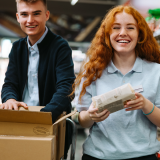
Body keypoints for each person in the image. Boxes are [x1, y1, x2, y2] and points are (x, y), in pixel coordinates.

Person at [73, 5, 160, 160]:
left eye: (130, 28)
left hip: (143, 156)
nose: (123, 33)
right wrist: (91, 116)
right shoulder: (91, 71)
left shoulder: (156, 72)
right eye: (116, 27)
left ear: (140, 34)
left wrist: (146, 105)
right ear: (107, 34)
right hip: (98, 156)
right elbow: (81, 119)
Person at [1, 0, 75, 158]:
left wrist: (42, 116)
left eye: (36, 13)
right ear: (17, 17)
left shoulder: (60, 47)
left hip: (50, 125)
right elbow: (9, 84)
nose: (30, 20)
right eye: (24, 14)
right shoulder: (17, 48)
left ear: (46, 15)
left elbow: (66, 88)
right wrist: (10, 99)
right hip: (21, 125)